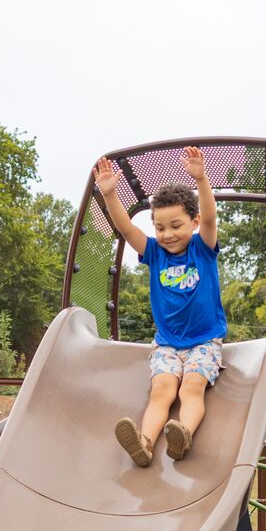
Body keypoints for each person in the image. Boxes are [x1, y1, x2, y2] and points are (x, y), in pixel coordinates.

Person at [94, 146, 227, 467]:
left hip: (204, 341)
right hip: (167, 343)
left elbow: (211, 217)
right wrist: (110, 195)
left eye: (176, 225)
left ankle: (183, 433)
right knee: (161, 390)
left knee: (191, 387)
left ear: (193, 222)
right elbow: (126, 229)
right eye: (160, 227)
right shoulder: (154, 253)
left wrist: (202, 179)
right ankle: (144, 443)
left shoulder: (202, 248)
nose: (167, 234)